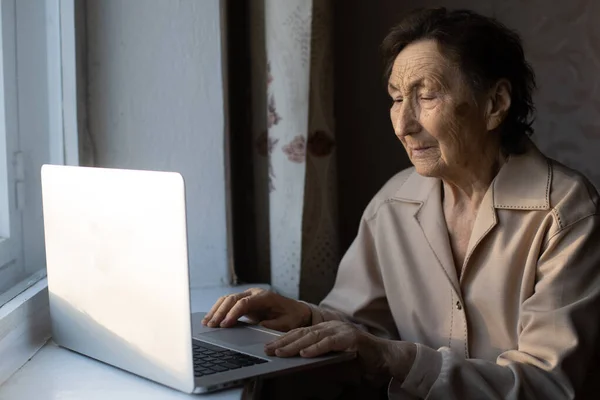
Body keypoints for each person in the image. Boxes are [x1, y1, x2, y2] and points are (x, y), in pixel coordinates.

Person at [204, 7, 600, 399]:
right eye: (396, 99)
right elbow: (363, 327)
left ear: (495, 104)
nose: (403, 125)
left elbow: (547, 386)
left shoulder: (567, 213)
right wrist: (306, 318)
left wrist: (400, 358)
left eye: (426, 96)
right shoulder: (392, 204)